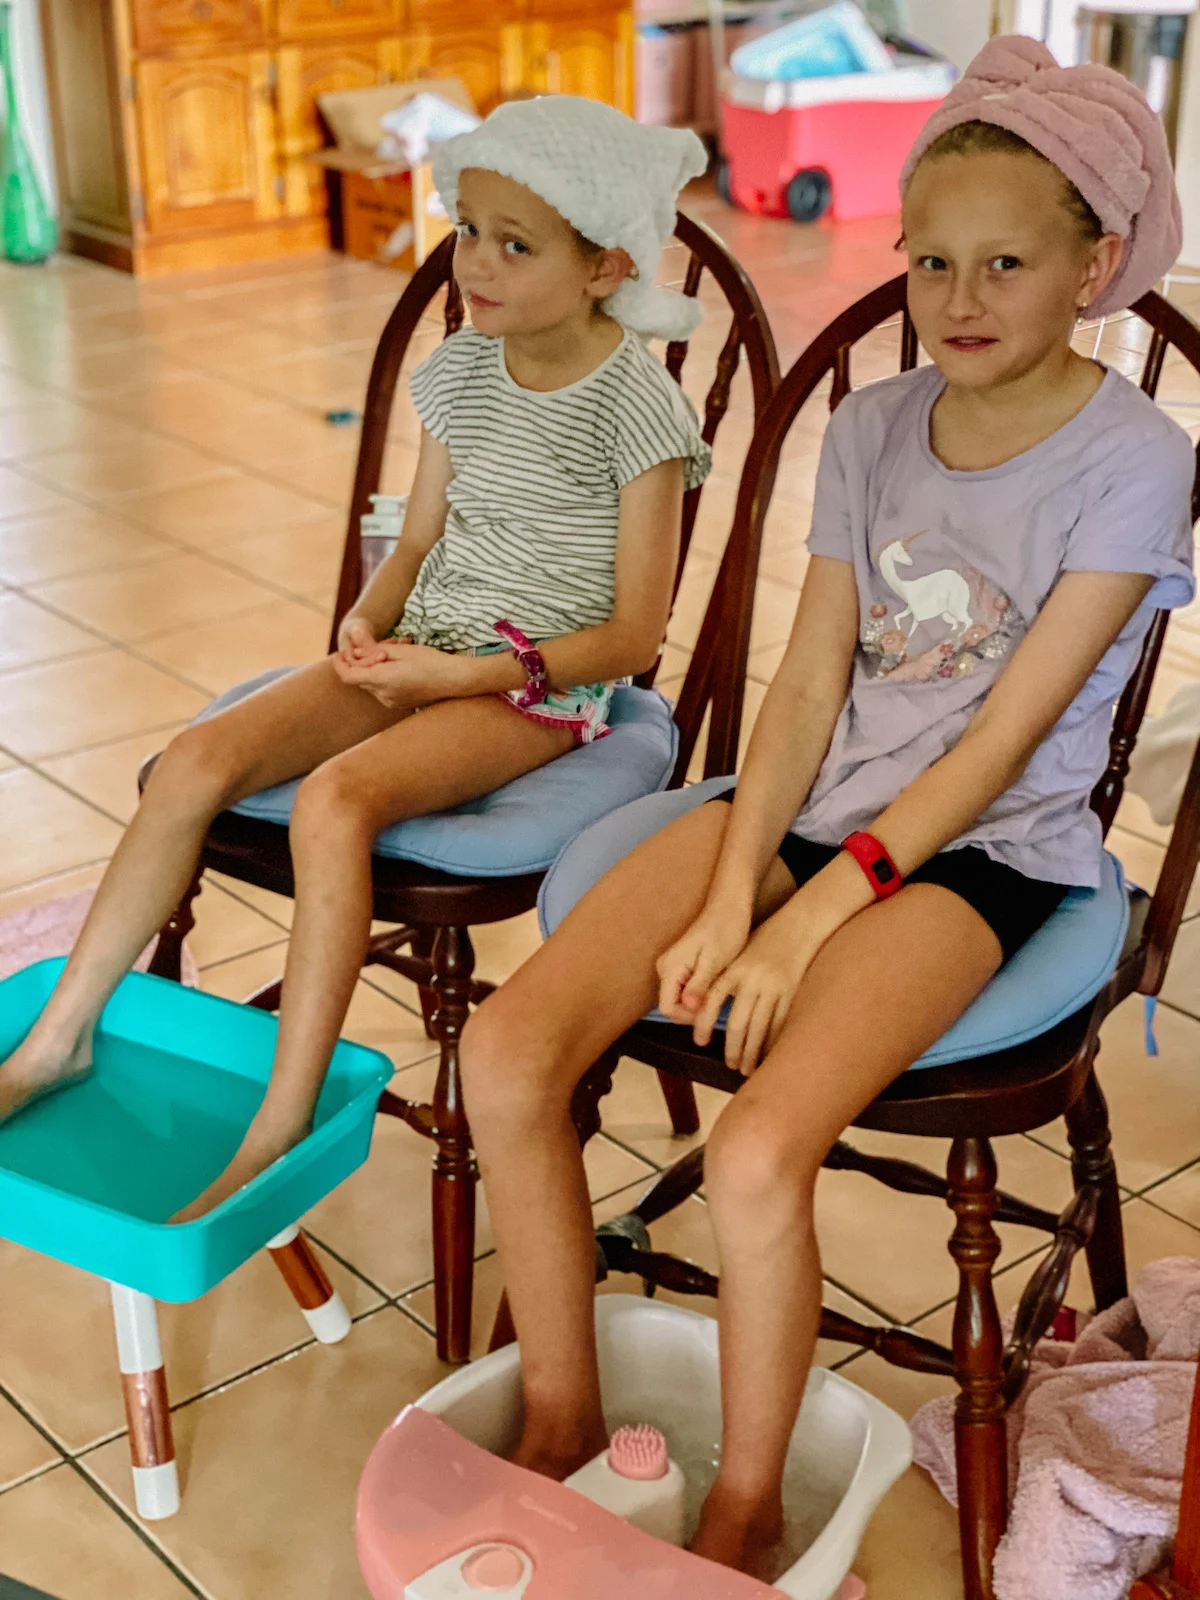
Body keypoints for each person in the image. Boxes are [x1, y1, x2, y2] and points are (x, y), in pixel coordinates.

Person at [460, 36, 1196, 1580]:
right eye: (929, 260)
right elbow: (797, 696)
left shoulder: (1137, 460)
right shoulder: (867, 429)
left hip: (984, 858)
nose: (958, 298)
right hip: (815, 814)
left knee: (750, 1154)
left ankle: (742, 1518)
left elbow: (1002, 738)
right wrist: (736, 886)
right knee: (510, 1049)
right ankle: (559, 1424)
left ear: (1096, 263)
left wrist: (808, 914)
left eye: (1005, 259)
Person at [0, 96, 711, 1220]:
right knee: (194, 761)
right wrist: (369, 620)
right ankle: (60, 1037)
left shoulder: (640, 410)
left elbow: (631, 637)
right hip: (421, 648)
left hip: (540, 687)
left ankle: (282, 1113)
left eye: (513, 243)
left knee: (336, 804)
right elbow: (418, 538)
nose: (472, 262)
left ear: (604, 263)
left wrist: (455, 678)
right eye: (467, 228)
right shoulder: (463, 371)